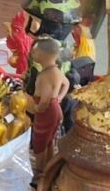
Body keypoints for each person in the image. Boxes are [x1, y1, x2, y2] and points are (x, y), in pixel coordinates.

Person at [31, 37, 69, 181]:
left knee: (39, 142)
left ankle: (40, 171)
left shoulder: (46, 75)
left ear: (43, 55)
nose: (33, 54)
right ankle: (48, 169)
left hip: (46, 112)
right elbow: (66, 83)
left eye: (35, 52)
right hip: (54, 109)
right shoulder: (56, 71)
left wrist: (37, 108)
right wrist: (59, 98)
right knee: (49, 141)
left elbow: (45, 100)